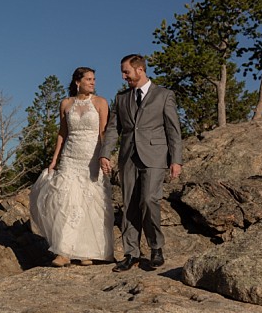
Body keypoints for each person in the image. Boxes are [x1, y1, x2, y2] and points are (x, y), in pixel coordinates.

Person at [99, 54, 182, 272]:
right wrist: (105, 154)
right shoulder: (121, 98)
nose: (124, 76)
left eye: (126, 72)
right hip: (128, 157)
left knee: (149, 200)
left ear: (140, 70)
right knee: (129, 206)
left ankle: (156, 247)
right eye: (123, 72)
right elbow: (112, 130)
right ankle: (131, 253)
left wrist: (176, 160)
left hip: (155, 156)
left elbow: (173, 129)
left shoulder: (164, 95)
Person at [29, 67, 115, 267]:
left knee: (90, 202)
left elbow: (104, 132)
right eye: (89, 79)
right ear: (78, 81)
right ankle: (64, 251)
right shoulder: (66, 103)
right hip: (70, 156)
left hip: (91, 157)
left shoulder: (101, 102)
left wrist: (105, 156)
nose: (93, 82)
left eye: (94, 79)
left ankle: (88, 251)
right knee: (66, 201)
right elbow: (62, 133)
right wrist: (54, 160)